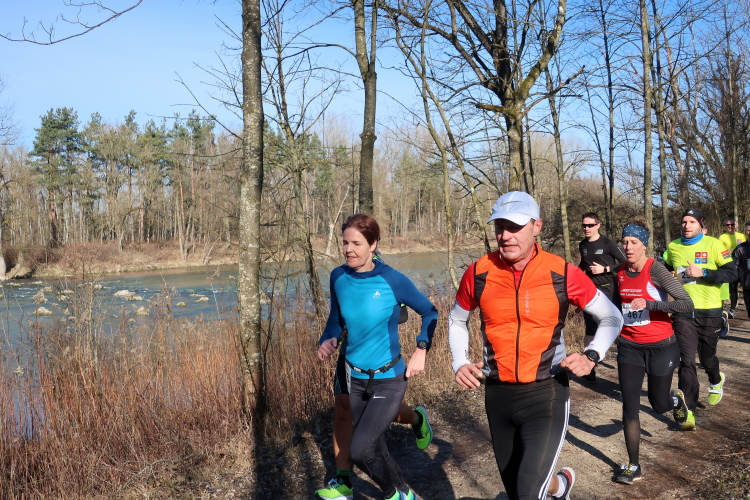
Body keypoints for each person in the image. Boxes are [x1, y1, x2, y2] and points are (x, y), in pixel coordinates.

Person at [448, 191, 623, 500]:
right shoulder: (478, 273)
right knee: (517, 489)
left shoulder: (562, 273)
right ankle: (560, 486)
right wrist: (459, 361)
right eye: (500, 227)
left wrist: (592, 355)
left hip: (546, 392)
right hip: (498, 394)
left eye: (515, 227)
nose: (505, 236)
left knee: (528, 492)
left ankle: (548, 487)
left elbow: (612, 317)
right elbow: (457, 319)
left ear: (536, 226)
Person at [317, 214, 438, 500]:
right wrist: (328, 339)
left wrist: (421, 349)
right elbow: (335, 319)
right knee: (374, 445)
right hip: (355, 375)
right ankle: (402, 494)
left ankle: (393, 489)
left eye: (356, 243)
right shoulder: (338, 277)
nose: (348, 250)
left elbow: (429, 311)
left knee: (362, 449)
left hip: (388, 376)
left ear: (373, 245)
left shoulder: (392, 280)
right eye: (345, 243)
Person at [612, 219, 694, 484]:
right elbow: (615, 306)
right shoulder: (619, 272)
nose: (628, 247)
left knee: (659, 405)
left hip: (661, 346)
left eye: (633, 242)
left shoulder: (656, 269)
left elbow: (686, 304)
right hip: (629, 347)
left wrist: (651, 304)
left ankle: (676, 401)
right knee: (630, 406)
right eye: (625, 242)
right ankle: (633, 465)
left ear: (644, 245)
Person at [663, 208, 737, 430]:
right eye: (684, 221)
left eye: (691, 222)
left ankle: (715, 379)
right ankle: (688, 411)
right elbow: (664, 271)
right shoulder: (673, 247)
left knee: (707, 358)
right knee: (686, 361)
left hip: (710, 312)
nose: (686, 225)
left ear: (700, 224)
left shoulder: (715, 244)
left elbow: (732, 273)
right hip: (683, 312)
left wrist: (704, 273)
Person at [578, 212, 626, 381]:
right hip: (590, 291)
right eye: (584, 225)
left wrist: (605, 269)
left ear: (598, 225)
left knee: (615, 326)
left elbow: (625, 263)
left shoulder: (607, 243)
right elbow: (583, 265)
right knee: (590, 328)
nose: (587, 228)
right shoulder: (583, 245)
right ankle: (589, 368)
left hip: (609, 290)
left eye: (590, 225)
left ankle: (625, 363)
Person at [718, 217, 746, 319]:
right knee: (732, 287)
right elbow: (718, 252)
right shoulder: (722, 237)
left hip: (741, 265)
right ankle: (732, 310)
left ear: (736, 225)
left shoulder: (741, 236)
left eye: (732, 224)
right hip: (729, 264)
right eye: (728, 225)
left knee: (745, 287)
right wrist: (726, 252)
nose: (730, 226)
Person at [731, 222, 750, 320]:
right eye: (748, 230)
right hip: (747, 285)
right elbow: (734, 266)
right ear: (746, 232)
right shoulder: (740, 249)